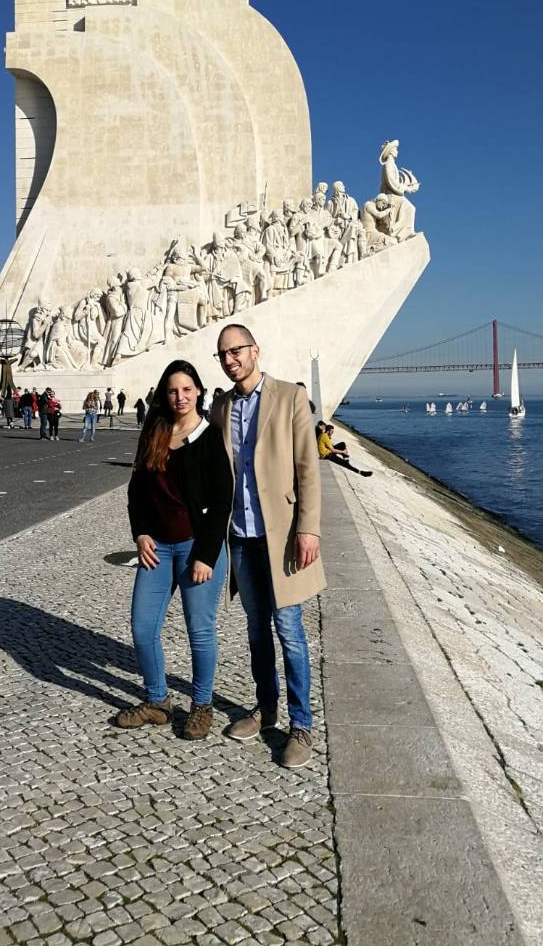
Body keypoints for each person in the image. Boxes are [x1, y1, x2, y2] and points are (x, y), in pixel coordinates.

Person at [211, 323, 325, 770]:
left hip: (281, 537)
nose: (229, 359)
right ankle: (266, 708)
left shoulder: (289, 397)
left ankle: (301, 725)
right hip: (240, 535)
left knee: (290, 633)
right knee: (257, 632)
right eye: (222, 354)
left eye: (236, 350)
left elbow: (307, 467)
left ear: (255, 351)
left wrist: (309, 528)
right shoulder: (222, 406)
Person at [117, 360, 233, 739]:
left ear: (198, 391)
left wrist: (206, 555)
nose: (180, 397)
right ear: (164, 395)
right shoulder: (154, 430)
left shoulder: (211, 436)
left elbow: (221, 502)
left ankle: (201, 706)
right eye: (172, 390)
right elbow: (137, 492)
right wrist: (140, 534)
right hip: (158, 548)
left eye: (186, 389)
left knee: (199, 629)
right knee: (142, 628)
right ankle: (157, 702)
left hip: (195, 546)